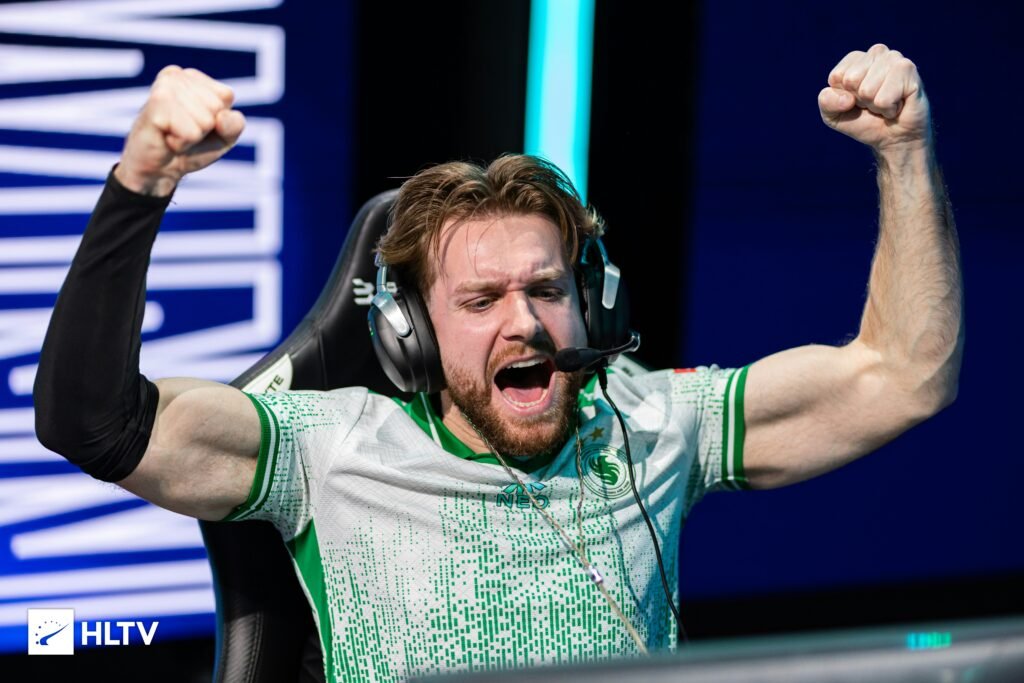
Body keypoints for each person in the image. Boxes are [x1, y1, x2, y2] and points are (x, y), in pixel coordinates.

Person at [33, 43, 962, 682]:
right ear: (411, 330)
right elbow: (95, 423)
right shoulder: (325, 449)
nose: (524, 323)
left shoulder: (652, 425)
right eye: (480, 301)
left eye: (546, 288)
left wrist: (904, 151)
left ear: (592, 299)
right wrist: (142, 184)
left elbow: (902, 377)